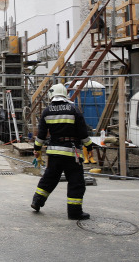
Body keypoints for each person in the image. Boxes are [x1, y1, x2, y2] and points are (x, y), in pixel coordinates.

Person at [30, 83, 94, 220]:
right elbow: (83, 133)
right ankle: (74, 212)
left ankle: (37, 201)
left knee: (49, 178)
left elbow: (41, 135)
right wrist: (89, 146)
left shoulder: (47, 112)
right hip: (72, 154)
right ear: (65, 94)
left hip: (54, 153)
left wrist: (37, 150)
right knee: (76, 182)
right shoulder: (74, 110)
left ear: (51, 95)